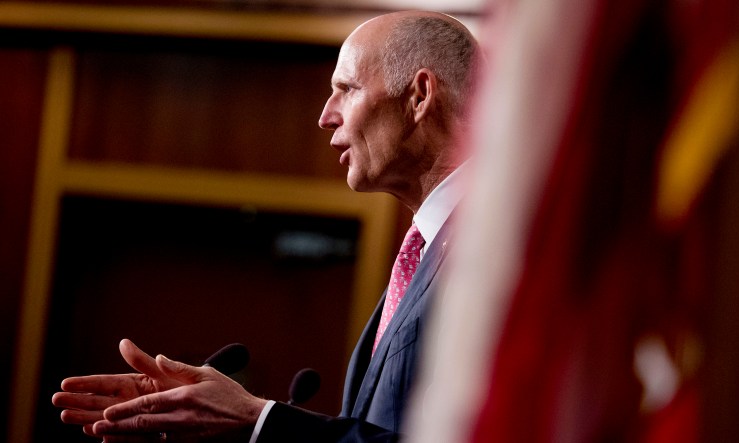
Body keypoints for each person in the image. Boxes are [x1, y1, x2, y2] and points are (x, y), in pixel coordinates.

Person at [52, 10, 480, 442]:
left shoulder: (494, 255)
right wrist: (227, 425)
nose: (326, 116)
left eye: (346, 89)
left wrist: (260, 420)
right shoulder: (424, 256)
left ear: (420, 95)